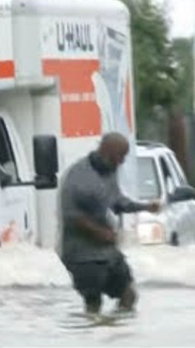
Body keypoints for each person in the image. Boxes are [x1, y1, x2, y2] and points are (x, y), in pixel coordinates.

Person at [58, 132, 160, 316]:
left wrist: (145, 207)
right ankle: (90, 338)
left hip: (107, 252)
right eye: (120, 156)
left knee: (129, 295)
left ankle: (115, 335)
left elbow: (117, 202)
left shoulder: (109, 171)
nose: (121, 162)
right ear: (107, 151)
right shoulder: (78, 177)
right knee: (94, 304)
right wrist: (99, 232)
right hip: (82, 256)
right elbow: (71, 215)